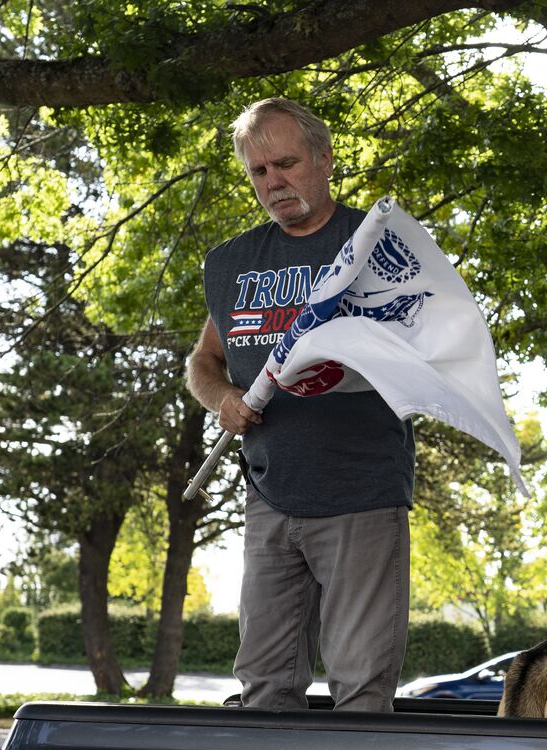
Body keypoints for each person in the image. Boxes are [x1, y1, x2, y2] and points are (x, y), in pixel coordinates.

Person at [186, 98, 414, 713]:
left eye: (285, 163)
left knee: (361, 690)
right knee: (264, 687)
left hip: (361, 495)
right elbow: (203, 362)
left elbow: (427, 351)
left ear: (324, 159)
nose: (273, 182)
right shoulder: (235, 263)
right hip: (270, 496)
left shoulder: (379, 245)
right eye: (259, 171)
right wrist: (224, 398)